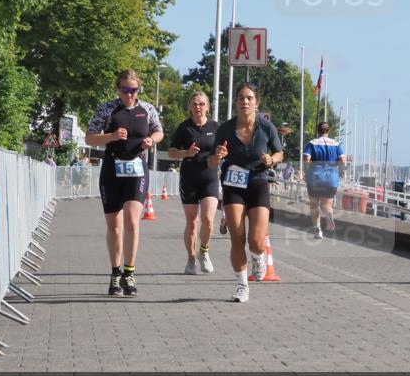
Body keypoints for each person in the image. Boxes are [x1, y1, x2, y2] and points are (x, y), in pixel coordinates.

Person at [85, 69, 163, 297]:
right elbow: (90, 137)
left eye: (133, 90)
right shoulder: (107, 109)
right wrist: (110, 136)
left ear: (139, 90)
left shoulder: (147, 109)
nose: (129, 94)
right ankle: (115, 273)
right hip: (112, 169)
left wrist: (151, 140)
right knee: (115, 227)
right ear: (117, 89)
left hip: (137, 169)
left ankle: (129, 272)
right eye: (125, 90)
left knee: (132, 221)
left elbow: (159, 132)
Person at [208, 82, 284, 303]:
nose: (245, 102)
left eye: (249, 98)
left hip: (258, 181)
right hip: (233, 183)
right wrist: (218, 156)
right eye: (241, 98)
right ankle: (242, 285)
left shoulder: (266, 127)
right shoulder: (225, 129)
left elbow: (279, 153)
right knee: (237, 238)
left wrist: (272, 159)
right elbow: (211, 161)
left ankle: (259, 256)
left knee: (257, 241)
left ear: (256, 102)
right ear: (236, 102)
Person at [169, 91, 220, 275]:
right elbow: (171, 152)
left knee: (208, 219)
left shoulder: (215, 127)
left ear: (207, 106)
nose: (198, 107)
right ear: (190, 107)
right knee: (192, 222)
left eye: (201, 104)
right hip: (189, 178)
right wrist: (186, 154)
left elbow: (223, 148)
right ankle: (191, 259)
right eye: (194, 104)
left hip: (210, 177)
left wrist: (222, 154)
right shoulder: (184, 128)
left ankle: (204, 252)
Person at [303, 121, 347, 239]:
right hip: (331, 178)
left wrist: (307, 169)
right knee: (326, 204)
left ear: (318, 131)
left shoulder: (312, 143)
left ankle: (318, 230)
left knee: (314, 205)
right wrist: (340, 170)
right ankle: (329, 214)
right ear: (328, 131)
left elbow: (306, 158)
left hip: (315, 177)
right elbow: (343, 160)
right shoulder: (336, 144)